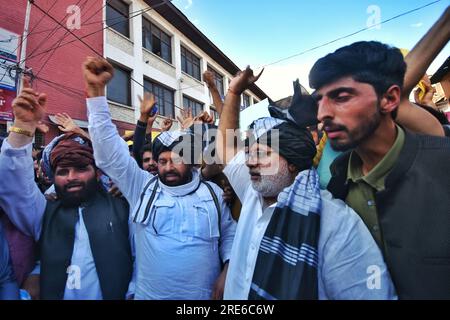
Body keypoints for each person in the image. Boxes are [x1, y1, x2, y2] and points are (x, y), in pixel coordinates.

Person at [217, 67, 396, 300]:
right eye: (249, 154)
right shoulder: (252, 192)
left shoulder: (336, 222)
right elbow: (224, 149)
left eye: (261, 154)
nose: (250, 162)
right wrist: (233, 92)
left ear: (292, 163)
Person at [82, 57, 236, 300]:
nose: (167, 167)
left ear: (191, 160)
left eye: (175, 159)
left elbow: (229, 235)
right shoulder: (142, 187)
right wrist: (96, 93)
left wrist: (228, 270)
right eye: (162, 161)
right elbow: (108, 154)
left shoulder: (213, 194)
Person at [309, 39, 450, 298]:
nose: (322, 114)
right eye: (319, 101)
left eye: (340, 97)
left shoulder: (441, 166)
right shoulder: (337, 185)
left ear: (390, 98)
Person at [0, 79, 134, 299]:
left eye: (81, 168)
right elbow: (12, 184)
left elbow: (142, 269)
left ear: (97, 171)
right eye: (63, 171)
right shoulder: (44, 212)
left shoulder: (124, 209)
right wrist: (22, 128)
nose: (71, 177)